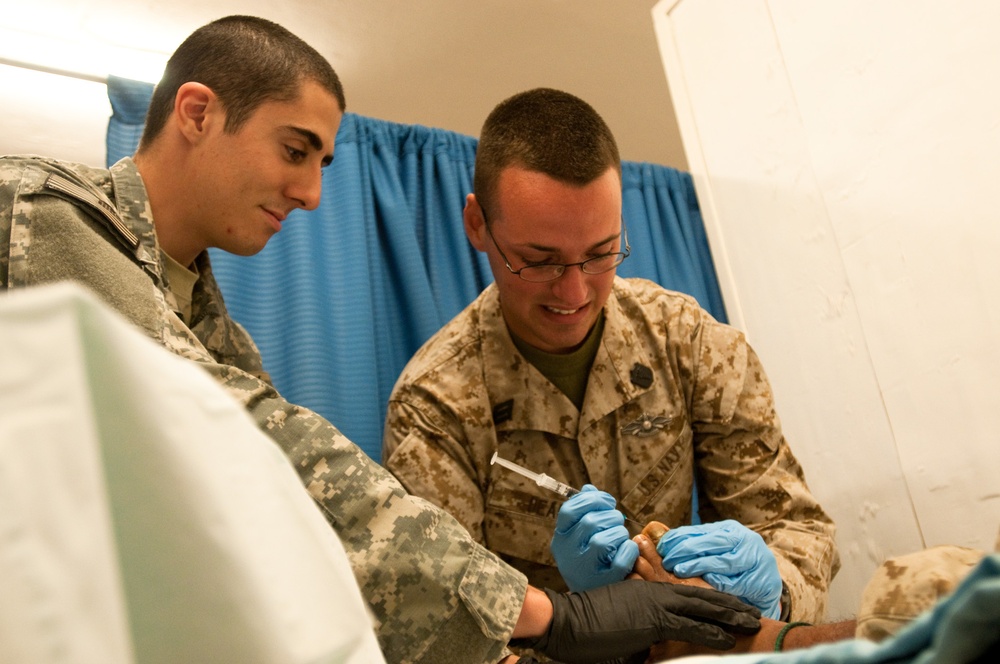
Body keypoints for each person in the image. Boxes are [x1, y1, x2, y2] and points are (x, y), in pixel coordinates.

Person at [0, 16, 762, 664]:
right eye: (295, 150)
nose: (311, 194)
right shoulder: (40, 212)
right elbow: (272, 453)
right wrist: (549, 615)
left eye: (325, 163)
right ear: (196, 112)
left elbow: (279, 529)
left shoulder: (207, 321)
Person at [382, 87, 839, 624]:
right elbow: (449, 629)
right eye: (539, 260)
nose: (574, 294)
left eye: (601, 254)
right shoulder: (436, 408)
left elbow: (799, 532)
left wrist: (775, 588)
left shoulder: (688, 343)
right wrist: (574, 621)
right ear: (478, 224)